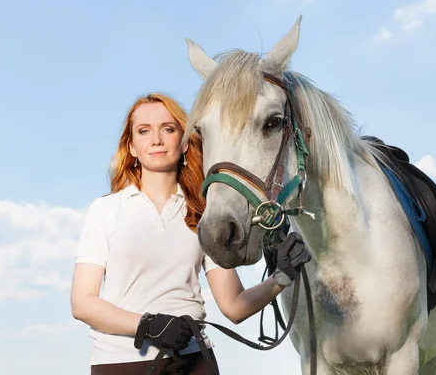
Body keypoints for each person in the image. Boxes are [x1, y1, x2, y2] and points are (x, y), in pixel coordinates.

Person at [70, 92, 310, 374]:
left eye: (168, 129)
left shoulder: (204, 214)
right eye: (144, 131)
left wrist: (281, 277)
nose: (156, 139)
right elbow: (82, 302)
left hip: (195, 361)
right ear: (132, 147)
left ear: (184, 143)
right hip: (121, 363)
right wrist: (147, 326)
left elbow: (234, 306)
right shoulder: (105, 210)